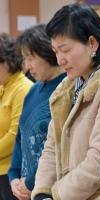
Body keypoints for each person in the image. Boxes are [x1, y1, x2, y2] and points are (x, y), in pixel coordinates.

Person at [31, 4, 100, 200]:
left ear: (92, 44)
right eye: (55, 51)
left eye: (65, 50)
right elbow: (51, 147)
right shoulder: (67, 87)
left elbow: (99, 160)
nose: (60, 59)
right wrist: (42, 191)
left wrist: (57, 195)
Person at [7, 24, 66, 200]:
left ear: (47, 51)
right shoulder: (33, 90)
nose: (26, 65)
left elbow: (63, 148)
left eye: (30, 58)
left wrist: (30, 182)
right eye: (24, 59)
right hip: (23, 189)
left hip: (51, 189)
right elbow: (20, 138)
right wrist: (14, 177)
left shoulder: (66, 88)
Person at [0, 33, 33, 200]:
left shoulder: (22, 88)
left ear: (6, 62)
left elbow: (14, 136)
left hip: (11, 172)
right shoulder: (4, 86)